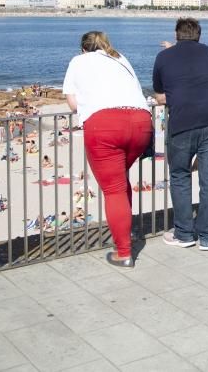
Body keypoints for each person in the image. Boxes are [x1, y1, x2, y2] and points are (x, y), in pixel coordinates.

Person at [63, 30, 153, 267]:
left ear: (83, 49)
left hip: (105, 126)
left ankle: (123, 252)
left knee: (113, 189)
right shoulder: (120, 57)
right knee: (121, 182)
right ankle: (127, 232)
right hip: (141, 122)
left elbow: (73, 102)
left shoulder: (78, 61)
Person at [152, 18, 208, 250]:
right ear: (198, 35)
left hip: (183, 120)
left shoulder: (163, 57)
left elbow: (158, 91)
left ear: (176, 35)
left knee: (180, 175)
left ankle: (184, 233)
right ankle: (207, 236)